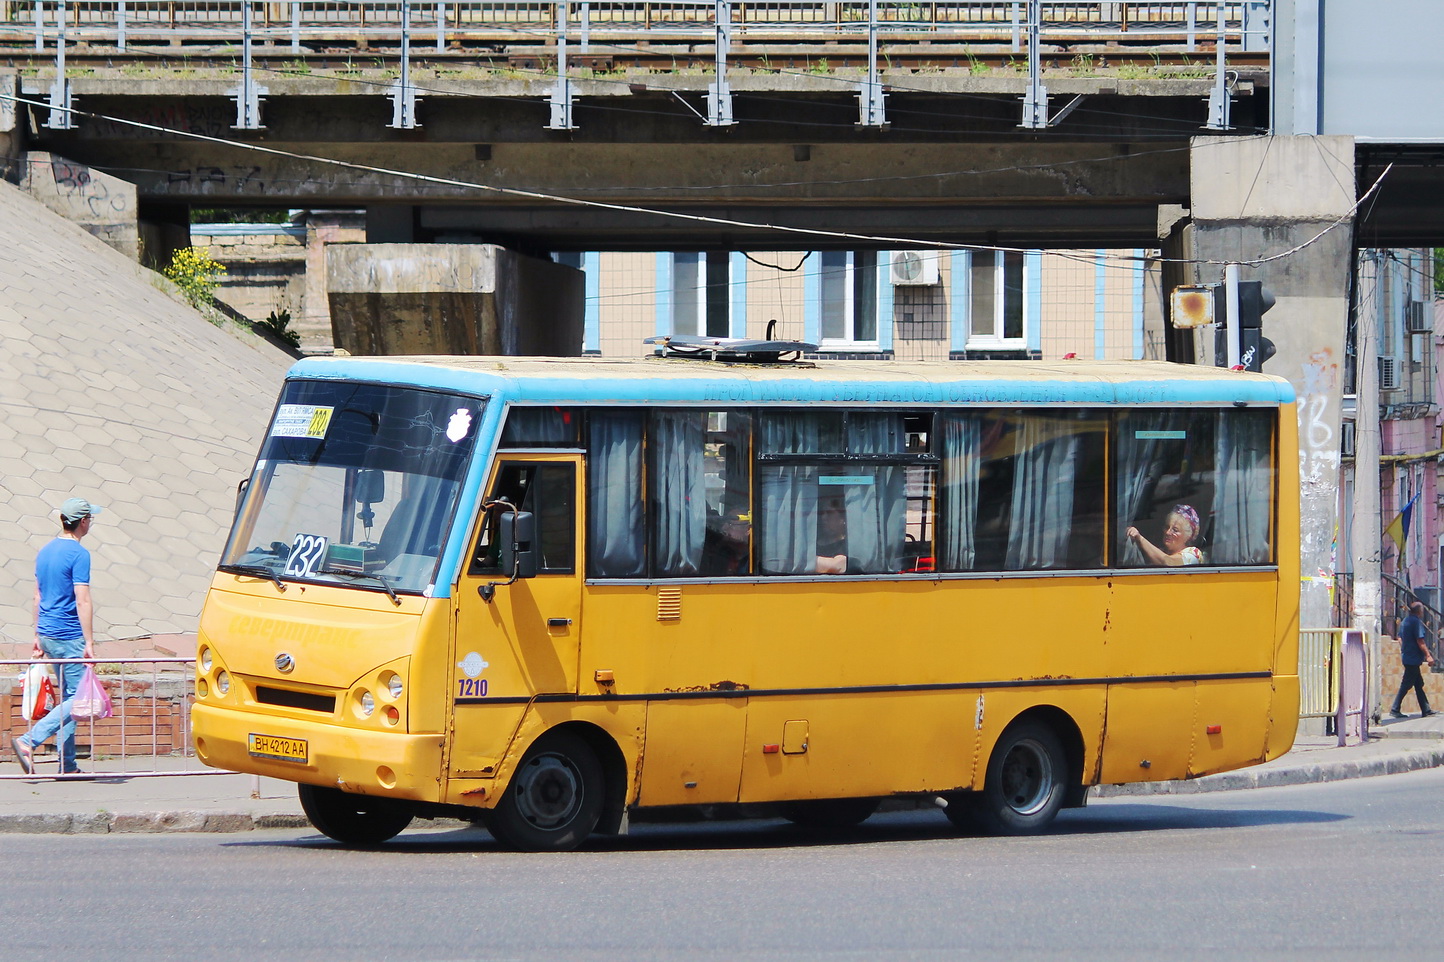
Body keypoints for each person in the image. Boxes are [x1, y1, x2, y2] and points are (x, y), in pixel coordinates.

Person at [11, 497, 102, 775]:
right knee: (81, 699)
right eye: (90, 519)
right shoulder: (79, 554)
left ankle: (67, 764)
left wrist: (37, 634)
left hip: (48, 633)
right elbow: (82, 599)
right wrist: (88, 642)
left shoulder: (46, 551)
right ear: (83, 522)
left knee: (70, 698)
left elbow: (38, 596)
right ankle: (28, 741)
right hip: (69, 635)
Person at [1389, 600, 1436, 719]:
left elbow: (1399, 638)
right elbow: (1420, 640)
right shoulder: (1416, 622)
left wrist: (1405, 648)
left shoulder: (1405, 621)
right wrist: (1428, 655)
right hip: (1413, 659)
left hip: (1408, 656)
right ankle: (1395, 708)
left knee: (1418, 683)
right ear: (1419, 611)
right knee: (1406, 684)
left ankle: (1426, 709)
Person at [1126, 504, 1204, 567]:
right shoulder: (1161, 551)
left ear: (1188, 536)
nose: (1167, 532)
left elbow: (1169, 563)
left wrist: (1140, 538)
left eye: (1175, 530)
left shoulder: (1193, 554)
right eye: (1167, 527)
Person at [816, 495, 848, 574]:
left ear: (843, 519)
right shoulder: (813, 545)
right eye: (822, 513)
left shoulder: (848, 545)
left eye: (829, 513)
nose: (823, 517)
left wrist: (803, 562)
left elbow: (837, 566)